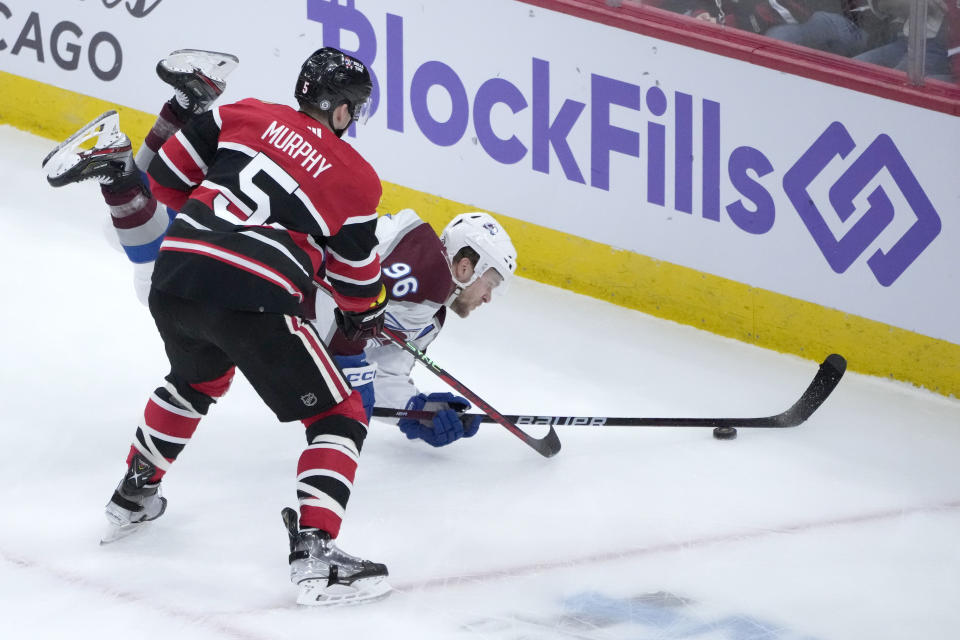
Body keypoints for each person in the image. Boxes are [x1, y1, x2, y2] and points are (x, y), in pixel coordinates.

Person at [42, 47, 393, 606]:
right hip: (255, 296)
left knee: (195, 379)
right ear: (343, 110)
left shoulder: (243, 114)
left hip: (175, 276)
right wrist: (368, 307)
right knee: (339, 412)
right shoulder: (357, 179)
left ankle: (133, 495)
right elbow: (355, 284)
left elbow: (165, 182)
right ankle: (316, 553)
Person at [49, 49, 519, 452]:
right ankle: (121, 172)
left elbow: (382, 367)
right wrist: (354, 346)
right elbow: (354, 307)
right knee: (151, 270)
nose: (488, 297)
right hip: (253, 283)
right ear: (465, 261)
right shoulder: (426, 267)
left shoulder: (427, 306)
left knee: (137, 234)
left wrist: (417, 409)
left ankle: (175, 112)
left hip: (227, 233)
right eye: (490, 281)